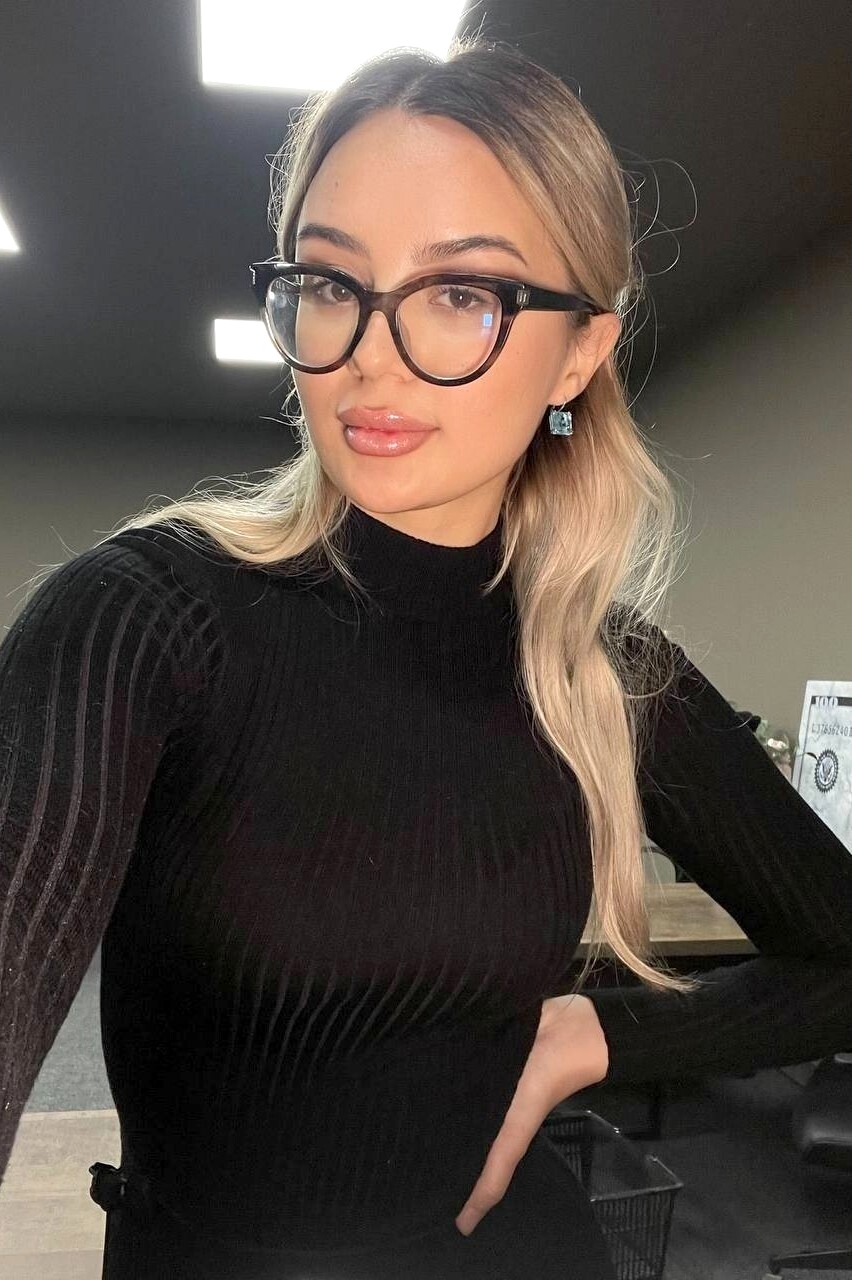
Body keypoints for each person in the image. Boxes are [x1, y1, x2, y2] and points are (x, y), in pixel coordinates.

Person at [2, 33, 851, 1280]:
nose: (370, 350)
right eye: (332, 280)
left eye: (461, 292)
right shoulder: (141, 620)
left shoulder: (604, 668)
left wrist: (590, 1035)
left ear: (579, 352)